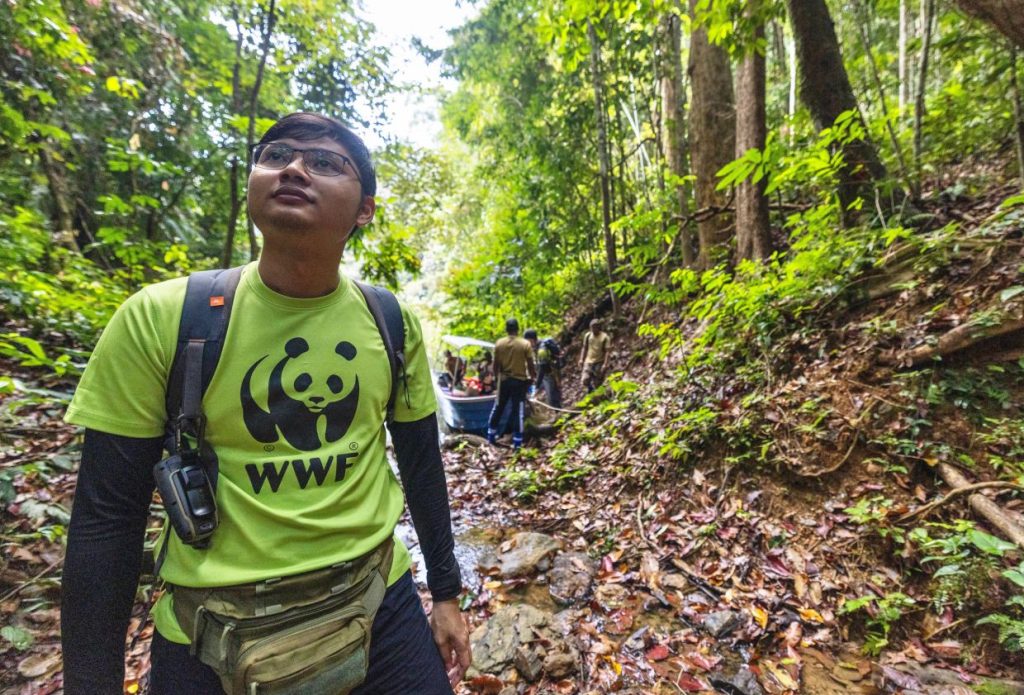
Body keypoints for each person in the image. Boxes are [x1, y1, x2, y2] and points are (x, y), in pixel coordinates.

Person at [61, 113, 471, 694]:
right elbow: (107, 518)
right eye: (276, 154)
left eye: (326, 162)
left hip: (379, 602)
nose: (295, 168)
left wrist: (447, 595)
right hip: (211, 626)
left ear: (364, 210)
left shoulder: (390, 321)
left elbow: (421, 466)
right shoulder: (163, 319)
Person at [487, 319, 535, 450]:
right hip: (519, 382)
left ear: (506, 329)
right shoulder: (525, 344)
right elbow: (530, 364)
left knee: (498, 407)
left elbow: (495, 364)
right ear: (518, 329)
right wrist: (532, 378)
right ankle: (517, 443)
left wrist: (497, 378)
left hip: (503, 381)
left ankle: (491, 437)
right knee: (517, 411)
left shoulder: (499, 343)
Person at [523, 329, 562, 409]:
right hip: (546, 377)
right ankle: (558, 414)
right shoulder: (537, 347)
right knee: (551, 399)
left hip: (550, 376)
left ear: (531, 339)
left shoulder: (542, 349)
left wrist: (537, 386)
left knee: (553, 400)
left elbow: (542, 368)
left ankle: (559, 414)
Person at [580, 318, 611, 393]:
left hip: (599, 361)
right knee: (585, 379)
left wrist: (605, 364)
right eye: (591, 327)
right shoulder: (588, 336)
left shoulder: (605, 337)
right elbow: (585, 348)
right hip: (588, 361)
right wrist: (581, 359)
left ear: (598, 327)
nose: (593, 329)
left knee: (598, 382)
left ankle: (598, 396)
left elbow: (607, 351)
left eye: (594, 327)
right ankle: (590, 390)